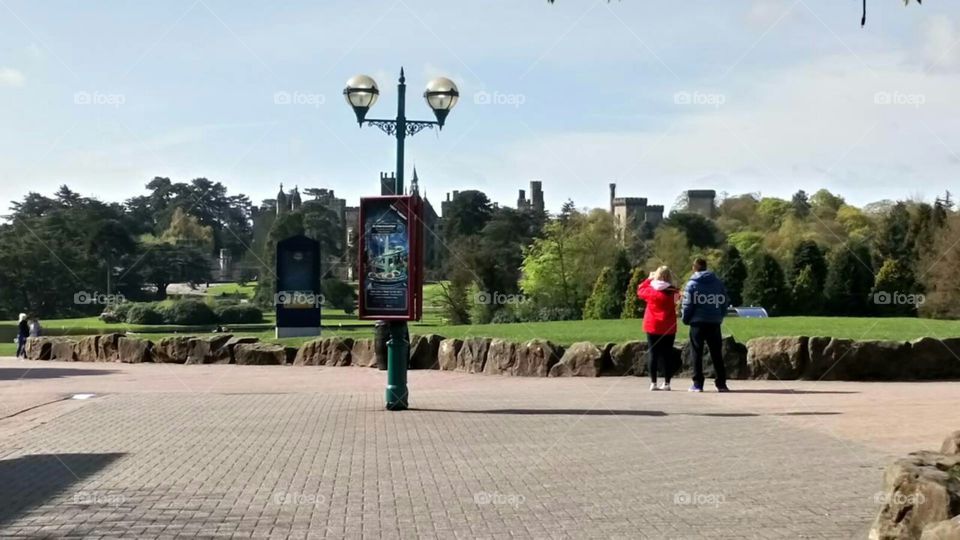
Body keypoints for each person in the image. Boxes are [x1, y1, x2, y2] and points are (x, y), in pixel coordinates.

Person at [681, 257, 732, 393]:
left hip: (697, 323)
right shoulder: (717, 282)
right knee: (716, 353)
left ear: (694, 268)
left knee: (696, 352)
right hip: (714, 322)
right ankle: (721, 383)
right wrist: (720, 315)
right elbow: (724, 300)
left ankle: (698, 383)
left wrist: (686, 319)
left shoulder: (692, 284)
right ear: (706, 267)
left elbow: (687, 304)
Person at [638, 266, 679, 391]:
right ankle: (667, 383)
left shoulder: (651, 290)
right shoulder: (674, 291)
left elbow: (640, 291)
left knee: (653, 354)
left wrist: (648, 280)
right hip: (668, 325)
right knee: (667, 355)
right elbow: (677, 301)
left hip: (653, 325)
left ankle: (653, 382)